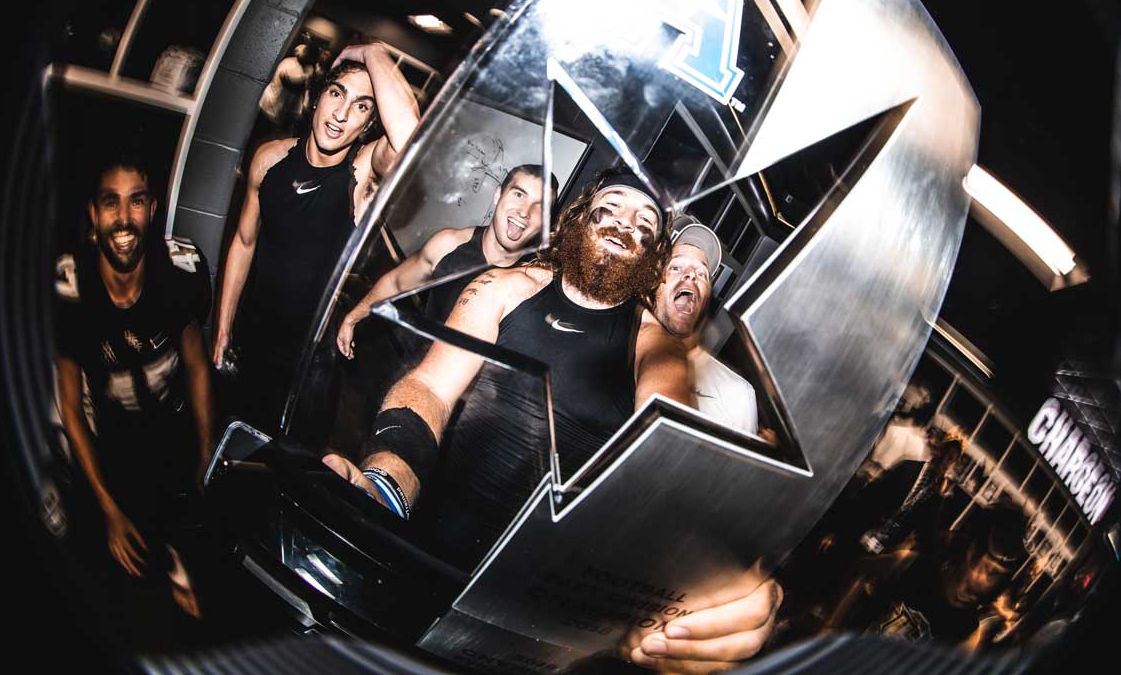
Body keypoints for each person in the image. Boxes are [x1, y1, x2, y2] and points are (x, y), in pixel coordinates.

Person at [325, 169, 781, 672]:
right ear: (580, 217)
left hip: (528, 618)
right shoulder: (503, 288)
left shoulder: (657, 349)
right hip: (425, 553)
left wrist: (701, 582)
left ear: (652, 254)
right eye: (612, 207)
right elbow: (430, 387)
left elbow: (664, 463)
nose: (625, 224)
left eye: (645, 221)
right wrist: (385, 484)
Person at [213, 42, 420, 432]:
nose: (341, 115)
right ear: (316, 99)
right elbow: (244, 242)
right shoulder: (269, 158)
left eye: (361, 106)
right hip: (251, 339)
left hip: (309, 362)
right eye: (336, 94)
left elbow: (410, 139)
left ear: (369, 124)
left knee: (284, 468)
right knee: (231, 440)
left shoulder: (362, 174)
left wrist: (374, 52)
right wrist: (223, 326)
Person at [54, 149, 214, 612]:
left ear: (153, 208)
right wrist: (107, 510)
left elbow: (198, 365)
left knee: (197, 544)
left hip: (171, 423)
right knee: (119, 573)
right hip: (113, 435)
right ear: (92, 212)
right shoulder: (71, 288)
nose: (124, 219)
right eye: (111, 202)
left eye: (137, 201)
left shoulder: (180, 270)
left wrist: (206, 454)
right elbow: (69, 405)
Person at [336, 164, 559, 358]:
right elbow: (396, 283)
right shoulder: (449, 243)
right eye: (519, 195)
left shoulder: (534, 283)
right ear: (497, 195)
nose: (525, 212)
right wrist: (353, 318)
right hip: (409, 371)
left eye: (540, 207)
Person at [824, 503, 1029, 650]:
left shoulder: (965, 632)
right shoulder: (915, 566)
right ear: (971, 551)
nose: (990, 585)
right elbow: (861, 570)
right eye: (991, 571)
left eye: (1000, 578)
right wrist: (831, 627)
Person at [650, 215, 760, 436]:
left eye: (702, 273)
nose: (691, 275)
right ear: (653, 280)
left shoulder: (736, 395)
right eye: (676, 267)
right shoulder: (615, 344)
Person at [257, 42, 316, 138]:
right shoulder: (288, 63)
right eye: (306, 55)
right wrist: (303, 81)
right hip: (270, 107)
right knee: (261, 135)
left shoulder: (309, 68)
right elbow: (290, 82)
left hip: (286, 113)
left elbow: (305, 89)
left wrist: (303, 107)